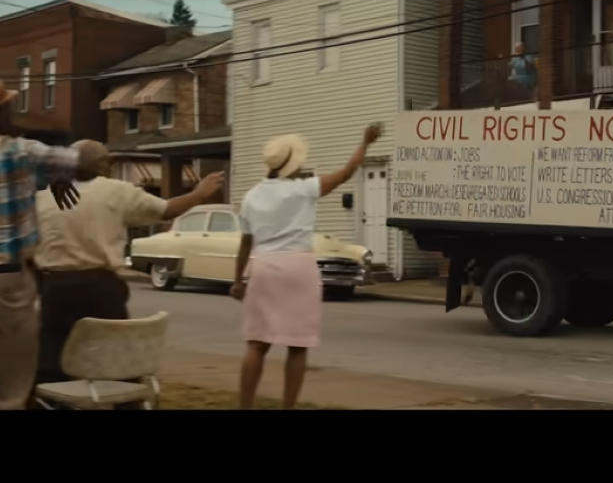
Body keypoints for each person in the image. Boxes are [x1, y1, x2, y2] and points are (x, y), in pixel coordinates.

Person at [33, 140, 225, 387]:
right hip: (101, 286)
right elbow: (166, 210)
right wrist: (199, 193)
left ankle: (53, 397)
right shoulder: (116, 191)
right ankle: (124, 398)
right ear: (102, 165)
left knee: (50, 354)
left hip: (55, 286)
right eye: (107, 161)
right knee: (118, 353)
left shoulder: (45, 197)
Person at [231, 125, 381, 409]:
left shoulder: (251, 197)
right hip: (298, 267)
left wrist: (238, 281)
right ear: (293, 165)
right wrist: (364, 143)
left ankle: (245, 406)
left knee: (256, 344)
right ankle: (288, 406)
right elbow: (347, 172)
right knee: (297, 346)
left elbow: (245, 243)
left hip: (264, 266)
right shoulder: (304, 189)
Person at [0, 81, 101, 410]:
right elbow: (87, 164)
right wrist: (59, 164)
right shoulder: (19, 151)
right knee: (13, 384)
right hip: (9, 278)